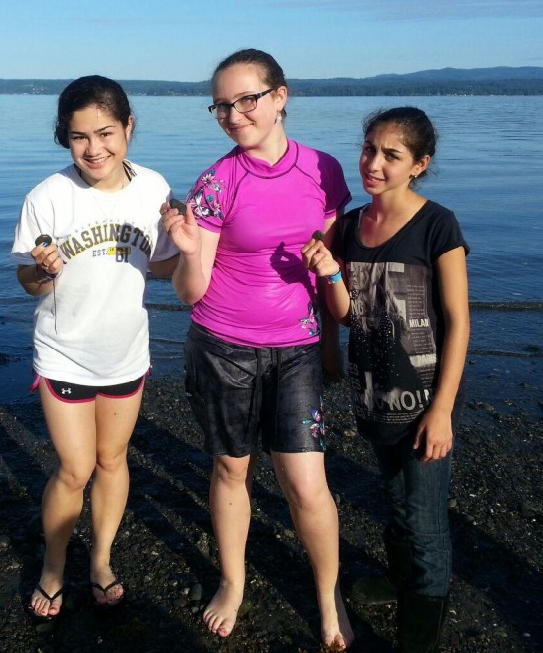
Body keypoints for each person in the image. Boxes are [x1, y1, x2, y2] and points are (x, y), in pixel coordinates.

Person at [160, 48, 354, 650]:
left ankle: (329, 596)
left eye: (247, 99)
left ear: (280, 96)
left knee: (306, 483)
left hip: (296, 348)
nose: (233, 114)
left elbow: (325, 261)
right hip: (222, 346)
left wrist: (330, 344)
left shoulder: (324, 172)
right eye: (222, 104)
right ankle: (234, 581)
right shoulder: (217, 181)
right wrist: (190, 251)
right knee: (230, 469)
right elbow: (193, 294)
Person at [12, 75, 179, 618]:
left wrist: (193, 243)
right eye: (79, 137)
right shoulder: (48, 197)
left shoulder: (153, 188)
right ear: (65, 138)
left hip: (127, 350)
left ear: (129, 127)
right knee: (75, 468)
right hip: (65, 350)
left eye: (105, 133)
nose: (93, 149)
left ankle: (102, 559)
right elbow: (28, 283)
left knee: (113, 460)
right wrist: (41, 271)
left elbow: (161, 265)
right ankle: (55, 565)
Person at [305, 107, 470, 653]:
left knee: (425, 524)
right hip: (373, 394)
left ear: (419, 165)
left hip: (425, 404)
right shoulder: (351, 225)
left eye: (391, 155)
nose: (373, 163)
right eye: (369, 148)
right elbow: (350, 312)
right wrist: (330, 281)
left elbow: (458, 322)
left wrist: (442, 409)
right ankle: (399, 584)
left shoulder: (437, 225)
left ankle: (417, 637)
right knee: (396, 501)